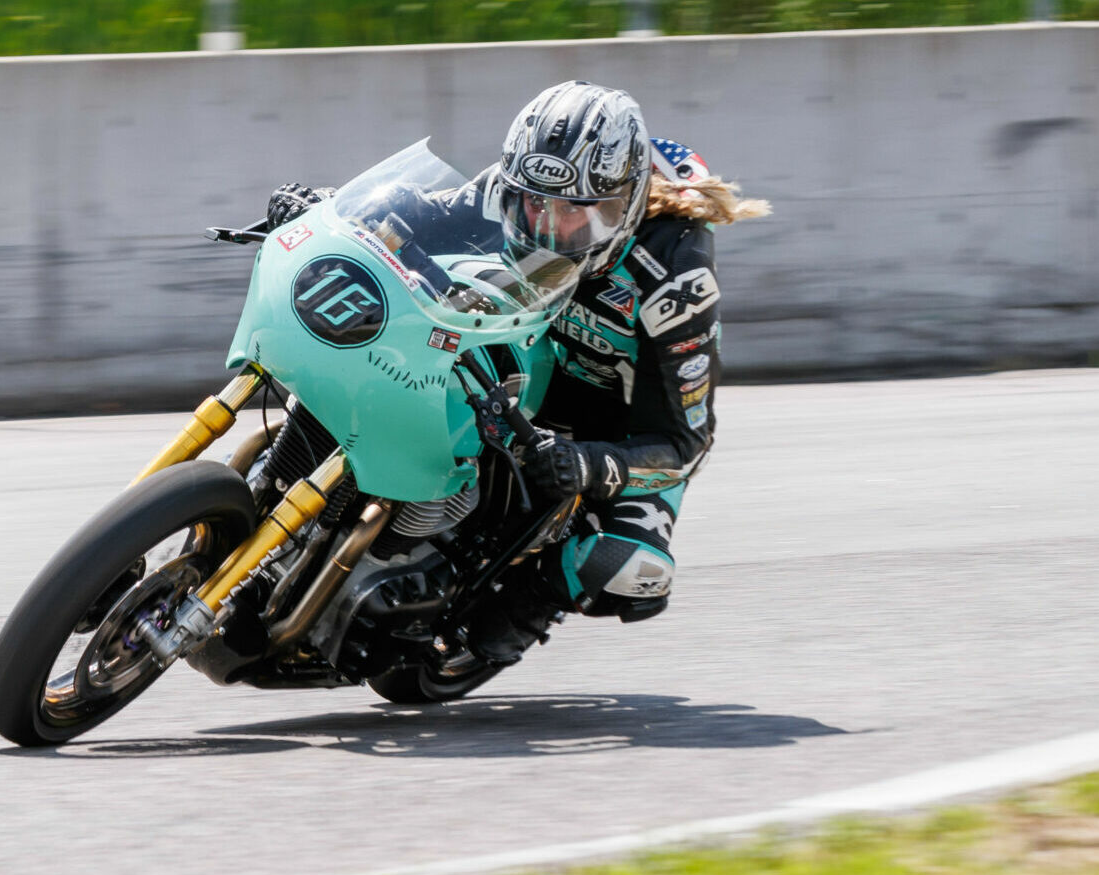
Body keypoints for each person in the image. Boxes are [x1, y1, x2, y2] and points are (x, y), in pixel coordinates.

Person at [265, 80, 770, 667]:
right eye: (535, 204)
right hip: (528, 357)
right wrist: (327, 213)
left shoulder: (676, 280)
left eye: (577, 216)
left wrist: (589, 464)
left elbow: (687, 442)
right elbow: (417, 216)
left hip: (620, 422)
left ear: (624, 204)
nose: (550, 228)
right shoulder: (529, 184)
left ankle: (510, 616)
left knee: (626, 566)